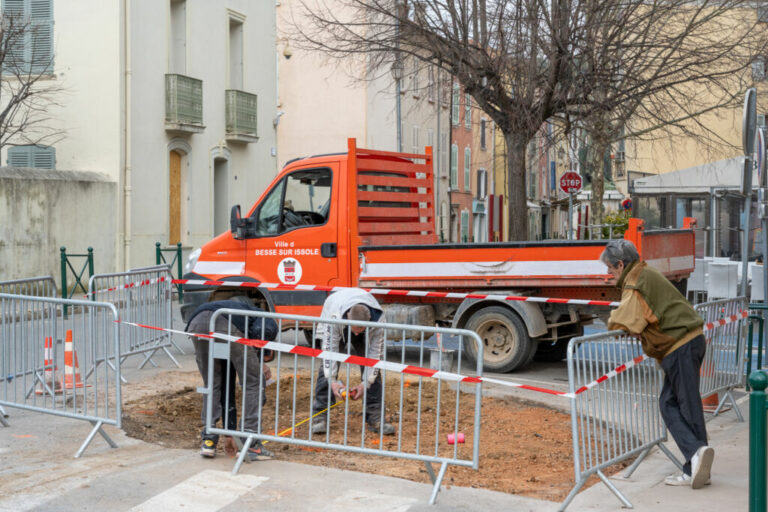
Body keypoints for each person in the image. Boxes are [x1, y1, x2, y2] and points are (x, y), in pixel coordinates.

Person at [600, 239, 714, 489]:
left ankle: (695, 455)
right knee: (677, 403)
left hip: (679, 345)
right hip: (688, 340)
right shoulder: (645, 273)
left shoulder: (635, 282)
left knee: (679, 404)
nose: (608, 274)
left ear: (620, 264)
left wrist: (614, 322)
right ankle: (695, 465)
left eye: (610, 268)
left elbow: (623, 320)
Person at [185, 296, 278, 461]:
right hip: (224, 326)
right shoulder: (263, 316)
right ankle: (250, 442)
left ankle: (208, 440)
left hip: (197, 323)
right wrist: (260, 362)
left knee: (212, 383)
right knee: (253, 382)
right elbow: (262, 334)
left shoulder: (237, 310)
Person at [311, 288, 395, 435]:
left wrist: (365, 384)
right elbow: (329, 350)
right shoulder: (335, 317)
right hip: (336, 320)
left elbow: (376, 355)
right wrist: (332, 380)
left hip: (366, 330)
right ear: (348, 317)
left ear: (369, 320)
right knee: (327, 367)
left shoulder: (379, 321)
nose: (356, 333)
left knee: (374, 368)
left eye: (360, 329)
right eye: (355, 329)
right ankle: (319, 417)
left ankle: (375, 417)